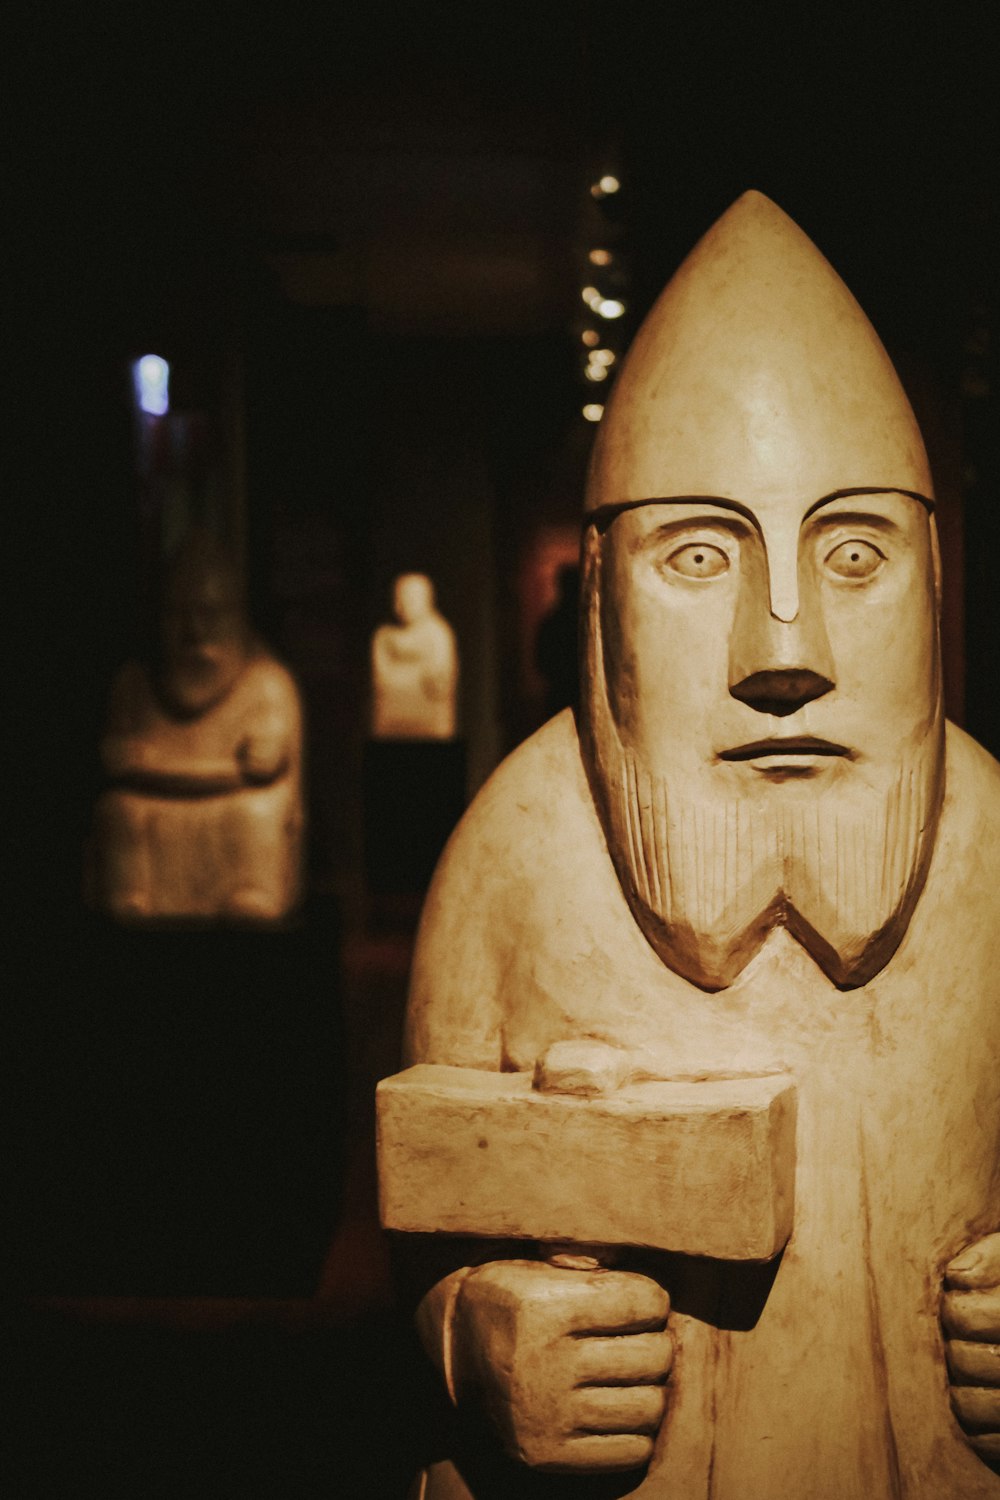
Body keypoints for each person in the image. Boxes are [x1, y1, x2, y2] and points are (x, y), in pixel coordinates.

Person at [392, 194, 1000, 1498]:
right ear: (603, 596)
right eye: (699, 556)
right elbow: (418, 1238)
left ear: (936, 584)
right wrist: (473, 1342)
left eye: (853, 554)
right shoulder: (512, 856)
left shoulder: (998, 849)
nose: (783, 655)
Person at [90, 528, 304, 922]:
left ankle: (250, 893)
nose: (195, 633)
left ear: (236, 616)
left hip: (230, 807)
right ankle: (133, 894)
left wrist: (265, 752)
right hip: (156, 804)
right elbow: (112, 757)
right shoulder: (135, 684)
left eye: (210, 614)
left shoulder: (266, 683)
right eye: (178, 615)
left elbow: (273, 769)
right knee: (120, 812)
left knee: (256, 814)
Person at [371, 572, 458, 741]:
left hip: (430, 727)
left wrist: (403, 675)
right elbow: (382, 681)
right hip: (393, 725)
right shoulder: (384, 636)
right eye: (401, 598)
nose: (405, 604)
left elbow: (439, 682)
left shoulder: (438, 633)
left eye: (412, 598)